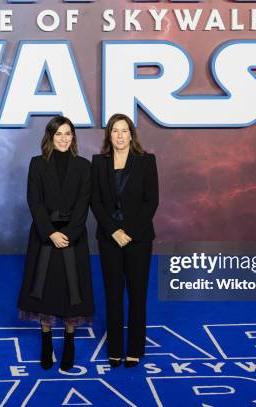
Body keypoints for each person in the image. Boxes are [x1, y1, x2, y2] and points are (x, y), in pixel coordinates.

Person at [17, 116, 94, 371]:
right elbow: (34, 201)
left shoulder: (83, 166)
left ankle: (69, 341)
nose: (63, 139)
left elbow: (84, 205)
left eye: (68, 134)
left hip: (73, 236)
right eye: (58, 134)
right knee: (45, 290)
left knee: (73, 292)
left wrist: (69, 234)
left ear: (73, 137)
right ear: (50, 137)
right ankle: (46, 342)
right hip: (45, 235)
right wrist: (50, 233)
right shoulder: (37, 164)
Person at [91, 113, 159, 368]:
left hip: (138, 239)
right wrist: (114, 232)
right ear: (109, 135)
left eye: (124, 130)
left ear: (132, 134)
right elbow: (94, 201)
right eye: (115, 131)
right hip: (109, 239)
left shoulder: (146, 161)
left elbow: (151, 201)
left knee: (137, 295)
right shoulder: (98, 163)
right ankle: (116, 348)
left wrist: (128, 231)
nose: (120, 136)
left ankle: (135, 348)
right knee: (113, 295)